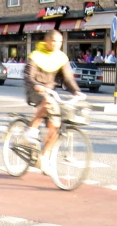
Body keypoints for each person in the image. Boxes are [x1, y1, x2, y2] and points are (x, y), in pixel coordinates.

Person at [23, 30, 83, 174]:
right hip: (34, 90)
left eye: (60, 42)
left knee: (56, 126)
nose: (57, 44)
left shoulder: (61, 57)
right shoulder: (36, 55)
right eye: (54, 41)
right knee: (47, 100)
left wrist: (77, 92)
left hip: (49, 90)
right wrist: (36, 85)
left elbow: (68, 78)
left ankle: (43, 157)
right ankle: (31, 130)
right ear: (47, 40)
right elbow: (28, 75)